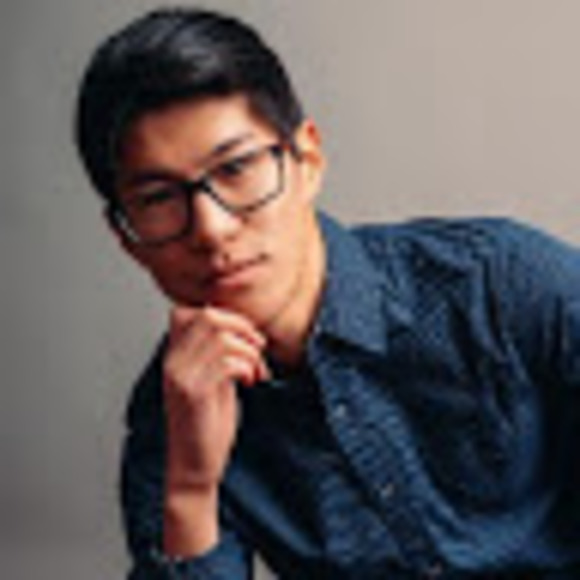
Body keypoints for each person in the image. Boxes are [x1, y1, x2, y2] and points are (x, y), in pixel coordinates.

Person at [74, 7, 580, 579]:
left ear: (307, 161)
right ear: (126, 237)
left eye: (236, 168)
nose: (212, 229)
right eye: (160, 199)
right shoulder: (173, 415)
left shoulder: (499, 282)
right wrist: (191, 487)